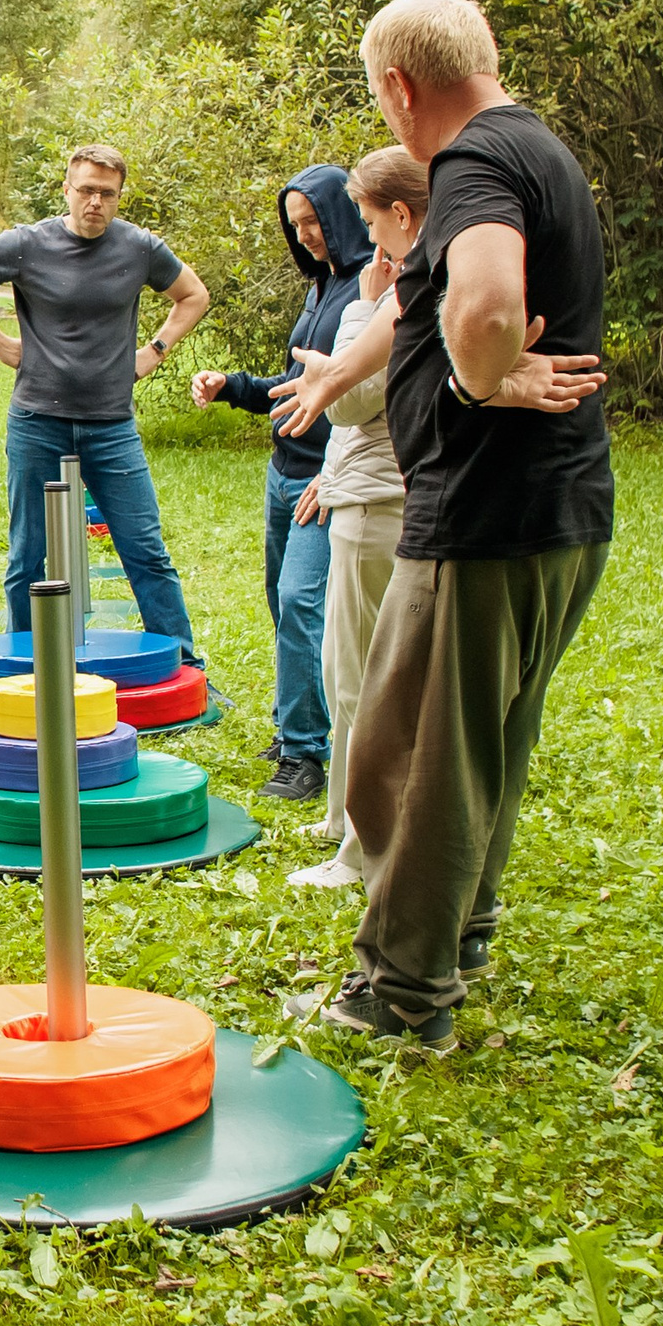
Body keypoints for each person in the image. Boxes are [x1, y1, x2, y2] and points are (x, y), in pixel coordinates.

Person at [279, 0, 613, 1051]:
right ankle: (459, 932)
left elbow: (475, 307)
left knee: (408, 755)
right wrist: (339, 372)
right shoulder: (531, 150)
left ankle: (400, 993)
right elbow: (416, 305)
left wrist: (483, 379)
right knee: (478, 743)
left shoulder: (470, 167)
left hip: (483, 516)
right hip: (554, 512)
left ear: (397, 85)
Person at [0, 145, 212, 662]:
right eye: (85, 190)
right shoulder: (27, 245)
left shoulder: (141, 248)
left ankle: (186, 669)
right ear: (67, 190)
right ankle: (27, 669)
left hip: (112, 425)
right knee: (28, 556)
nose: (95, 202)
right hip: (38, 420)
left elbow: (193, 295)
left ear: (119, 197)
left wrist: (154, 351)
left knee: (146, 552)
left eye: (107, 194)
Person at [189, 169, 375, 804]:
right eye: (295, 226)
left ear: (344, 214)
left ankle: (305, 754)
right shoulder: (320, 287)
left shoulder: (372, 290)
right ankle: (298, 725)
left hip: (326, 478)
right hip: (284, 470)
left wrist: (334, 470)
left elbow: (377, 395)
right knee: (284, 601)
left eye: (314, 222)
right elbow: (302, 380)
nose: (306, 236)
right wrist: (235, 386)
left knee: (301, 601)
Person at [284, 146, 423, 891]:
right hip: (357, 489)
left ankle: (361, 850)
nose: (369, 242)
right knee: (346, 673)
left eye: (371, 222)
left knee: (363, 681)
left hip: (380, 504)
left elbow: (350, 403)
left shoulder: (394, 292)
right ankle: (342, 815)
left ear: (400, 215)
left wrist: (366, 310)